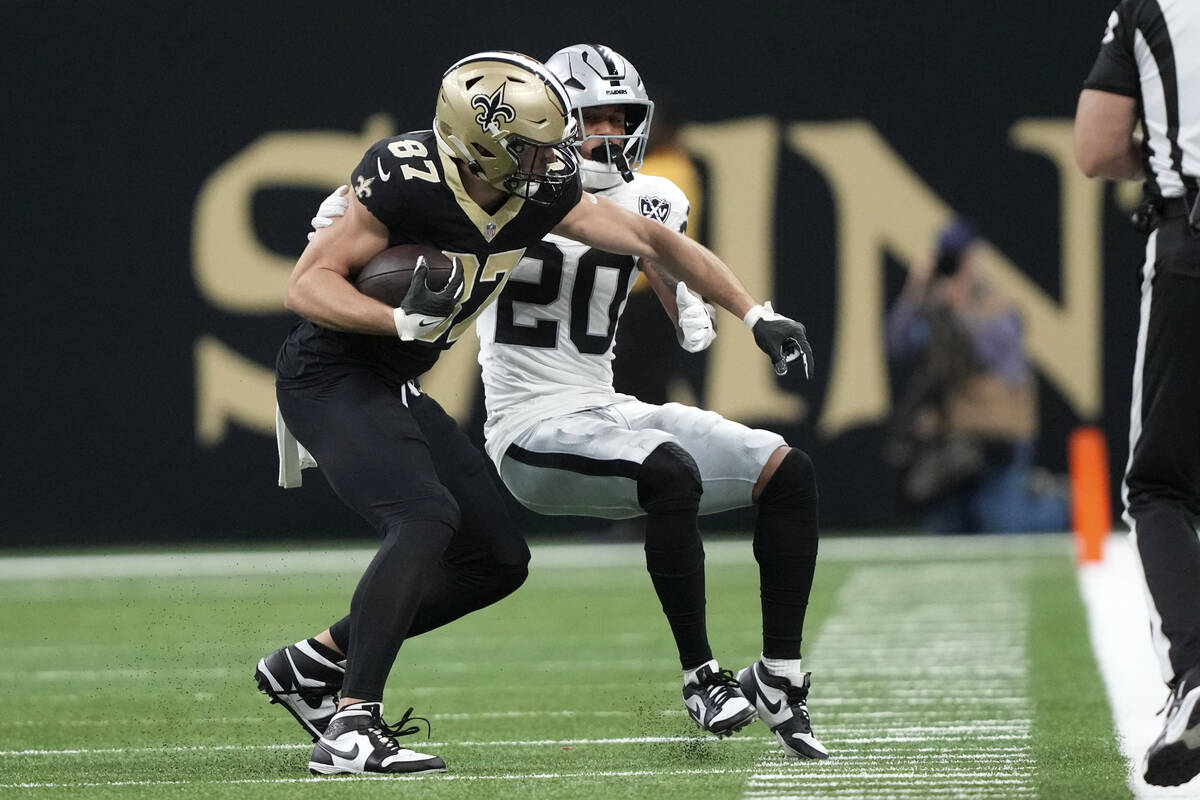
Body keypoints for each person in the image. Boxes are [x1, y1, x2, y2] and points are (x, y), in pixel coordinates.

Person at [258, 49, 816, 777]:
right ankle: (351, 726)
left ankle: (310, 666)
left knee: (496, 560)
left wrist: (752, 311)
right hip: (329, 374)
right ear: (475, 143)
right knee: (424, 518)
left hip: (394, 381)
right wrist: (393, 321)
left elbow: (652, 240)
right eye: (527, 148)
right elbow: (306, 286)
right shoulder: (403, 178)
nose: (549, 163)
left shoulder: (538, 184)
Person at [1074, 0, 1200, 787]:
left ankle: (1195, 670)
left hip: (1192, 245)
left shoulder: (1151, 7)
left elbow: (1096, 147)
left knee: (1157, 485)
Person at [884, 219, 1069, 534]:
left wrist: (959, 308)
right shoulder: (932, 305)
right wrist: (913, 291)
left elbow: (995, 357)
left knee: (1002, 525)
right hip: (954, 441)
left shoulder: (998, 305)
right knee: (945, 530)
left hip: (998, 439)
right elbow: (897, 344)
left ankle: (1063, 502)